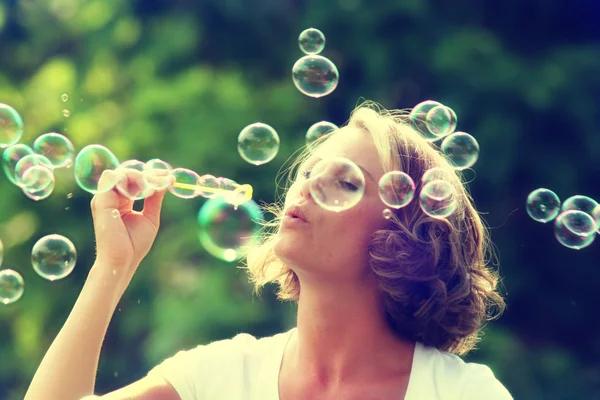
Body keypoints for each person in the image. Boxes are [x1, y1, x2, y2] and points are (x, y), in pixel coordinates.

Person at [25, 102, 513, 400]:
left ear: (403, 238)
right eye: (308, 171)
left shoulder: (463, 394)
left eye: (344, 182)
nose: (304, 187)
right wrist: (114, 263)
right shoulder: (219, 377)